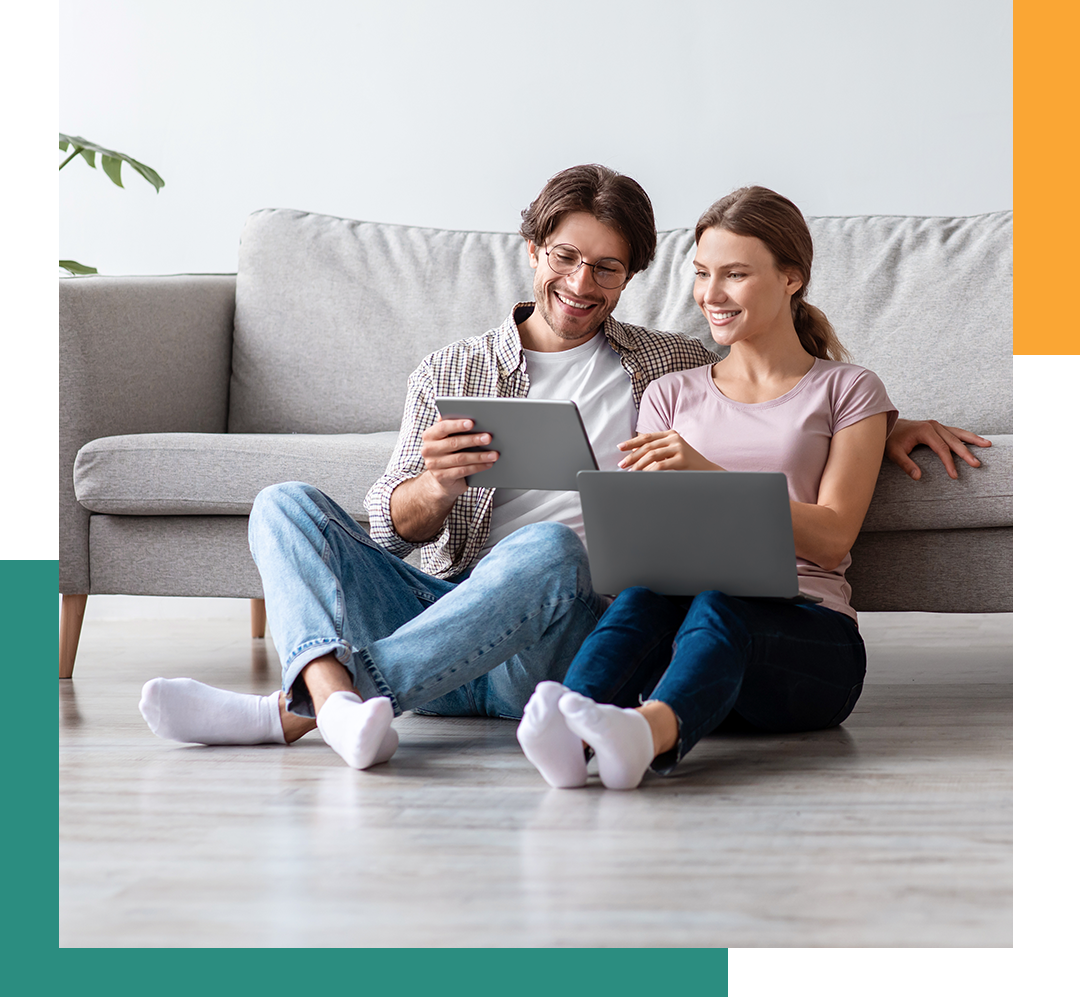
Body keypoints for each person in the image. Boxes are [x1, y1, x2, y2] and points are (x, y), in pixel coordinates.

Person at [139, 167, 989, 772]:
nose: (582, 282)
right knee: (283, 504)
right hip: (447, 606)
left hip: (551, 634)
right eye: (566, 257)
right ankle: (337, 701)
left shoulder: (665, 366)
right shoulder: (452, 372)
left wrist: (884, 422)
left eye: (608, 267)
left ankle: (302, 708)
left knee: (548, 549)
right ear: (533, 249)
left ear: (630, 277)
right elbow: (383, 535)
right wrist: (432, 490)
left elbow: (777, 386)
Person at [516, 185, 900, 790]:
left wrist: (706, 473)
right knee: (644, 594)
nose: (710, 296)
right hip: (691, 652)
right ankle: (569, 727)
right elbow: (645, 535)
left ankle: (644, 733)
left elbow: (831, 538)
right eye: (700, 274)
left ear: (791, 278)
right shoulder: (671, 393)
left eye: (735, 275)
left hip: (807, 644)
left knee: (723, 601)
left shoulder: (848, 390)